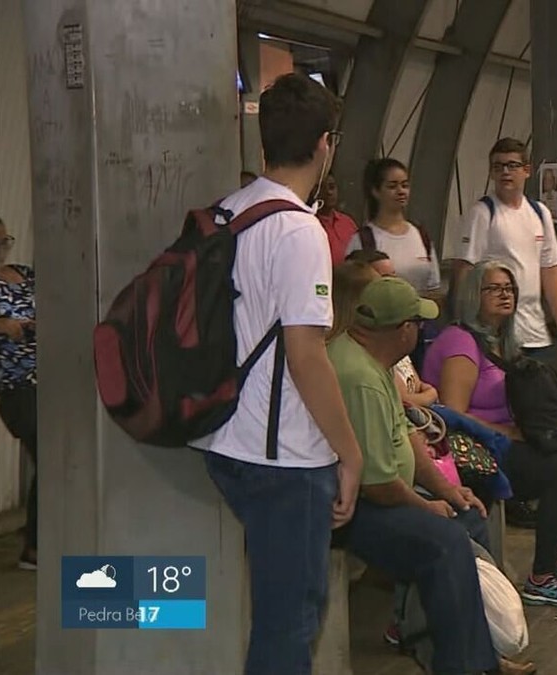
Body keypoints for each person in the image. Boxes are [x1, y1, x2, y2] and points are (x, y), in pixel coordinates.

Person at [190, 72, 364, 675]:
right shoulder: (299, 230)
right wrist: (350, 453)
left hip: (222, 437)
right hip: (285, 458)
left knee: (275, 613)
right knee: (290, 623)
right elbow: (306, 354)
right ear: (325, 144)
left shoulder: (226, 212)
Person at [327, 276, 533, 675]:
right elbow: (378, 484)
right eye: (417, 323)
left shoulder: (376, 364)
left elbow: (407, 439)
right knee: (444, 543)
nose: (421, 331)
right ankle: (462, 664)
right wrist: (427, 505)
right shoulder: (360, 378)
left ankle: (480, 647)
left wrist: (450, 492)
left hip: (380, 493)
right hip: (354, 506)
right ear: (403, 330)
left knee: (470, 515)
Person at [423, 261, 557, 607]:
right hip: (474, 447)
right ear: (474, 295)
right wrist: (507, 432)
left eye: (510, 288)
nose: (506, 295)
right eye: (495, 288)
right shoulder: (461, 342)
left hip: (506, 439)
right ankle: (542, 576)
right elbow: (453, 413)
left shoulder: (503, 341)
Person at [447, 137, 557, 362]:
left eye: (512, 165)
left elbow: (549, 270)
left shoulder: (540, 213)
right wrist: (463, 324)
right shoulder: (482, 213)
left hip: (535, 334)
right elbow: (465, 269)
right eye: (498, 167)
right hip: (496, 334)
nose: (505, 172)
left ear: (527, 170)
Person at [0, 214, 37, 570]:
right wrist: (1, 325)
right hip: (14, 385)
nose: (0, 251)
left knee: (56, 457)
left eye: (3, 242)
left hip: (51, 380)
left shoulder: (25, 273)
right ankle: (34, 547)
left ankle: (42, 539)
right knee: (49, 453)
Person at [347, 158, 441, 299]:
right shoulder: (363, 240)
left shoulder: (420, 235)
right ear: (375, 191)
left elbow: (434, 287)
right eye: (392, 186)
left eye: (405, 185)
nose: (401, 191)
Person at [315, 172, 360, 266]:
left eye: (332, 187)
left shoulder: (347, 222)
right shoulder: (310, 224)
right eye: (322, 189)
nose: (329, 192)